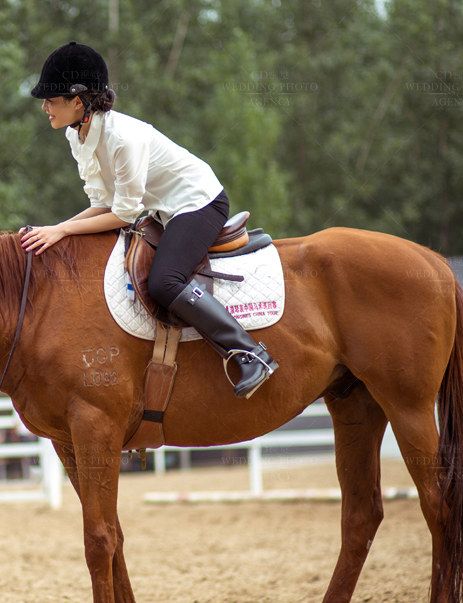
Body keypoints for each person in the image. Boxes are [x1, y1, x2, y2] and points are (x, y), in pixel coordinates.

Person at [19, 42, 278, 398]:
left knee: (164, 282)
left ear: (78, 102)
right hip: (163, 209)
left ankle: (251, 355)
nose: (44, 106)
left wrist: (62, 229)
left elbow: (123, 214)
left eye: (51, 99)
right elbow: (101, 203)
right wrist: (54, 230)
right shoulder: (76, 134)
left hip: (198, 202)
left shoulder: (122, 138)